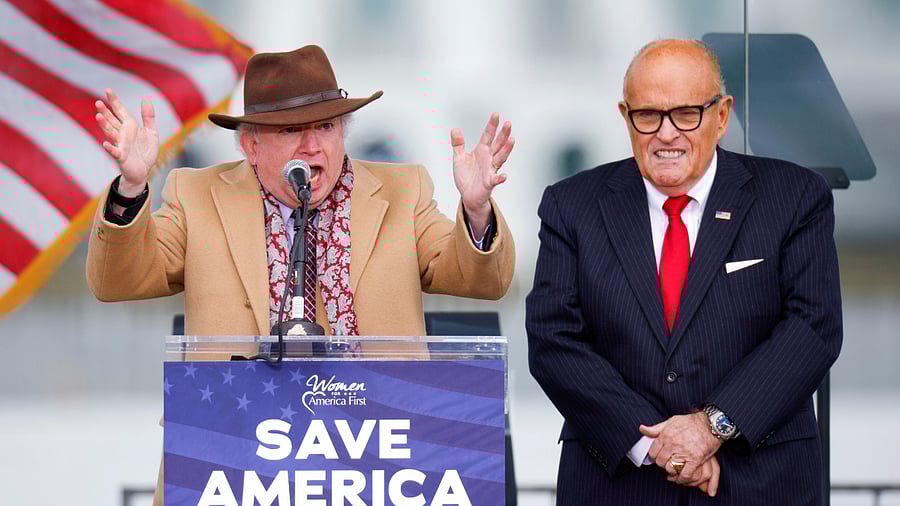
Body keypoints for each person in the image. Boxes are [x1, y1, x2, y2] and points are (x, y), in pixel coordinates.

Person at [87, 45, 515, 505]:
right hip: (235, 459)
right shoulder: (197, 195)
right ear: (251, 144)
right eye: (292, 130)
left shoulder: (403, 190)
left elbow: (481, 281)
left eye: (326, 127)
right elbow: (118, 281)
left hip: (381, 462)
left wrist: (475, 210)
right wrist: (131, 189)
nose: (313, 145)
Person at [526, 39, 842, 505]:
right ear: (625, 116)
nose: (667, 134)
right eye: (648, 115)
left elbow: (812, 328)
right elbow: (554, 340)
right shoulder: (571, 204)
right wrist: (657, 447)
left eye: (686, 114)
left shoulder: (794, 196)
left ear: (721, 115)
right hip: (618, 484)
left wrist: (710, 427)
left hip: (759, 481)